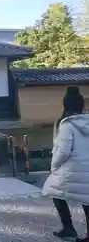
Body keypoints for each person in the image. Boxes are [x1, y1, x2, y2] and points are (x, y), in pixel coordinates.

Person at [42, 86, 89, 241]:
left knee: (55, 191)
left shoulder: (67, 125)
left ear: (65, 105)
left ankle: (68, 229)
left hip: (72, 168)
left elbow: (63, 151)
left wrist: (54, 167)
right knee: (86, 198)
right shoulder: (86, 122)